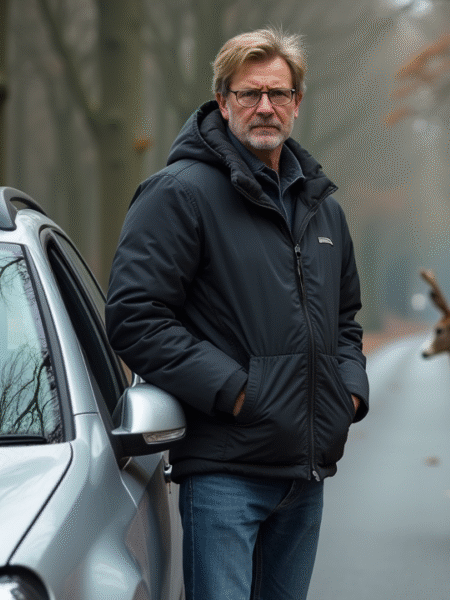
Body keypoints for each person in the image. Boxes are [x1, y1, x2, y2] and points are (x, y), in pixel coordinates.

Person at [105, 27, 369, 600]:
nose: (265, 107)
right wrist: (236, 391)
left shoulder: (324, 210)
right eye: (249, 94)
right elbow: (134, 315)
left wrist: (347, 394)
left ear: (298, 102)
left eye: (278, 93)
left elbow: (346, 320)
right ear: (222, 102)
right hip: (224, 475)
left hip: (305, 479)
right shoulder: (178, 194)